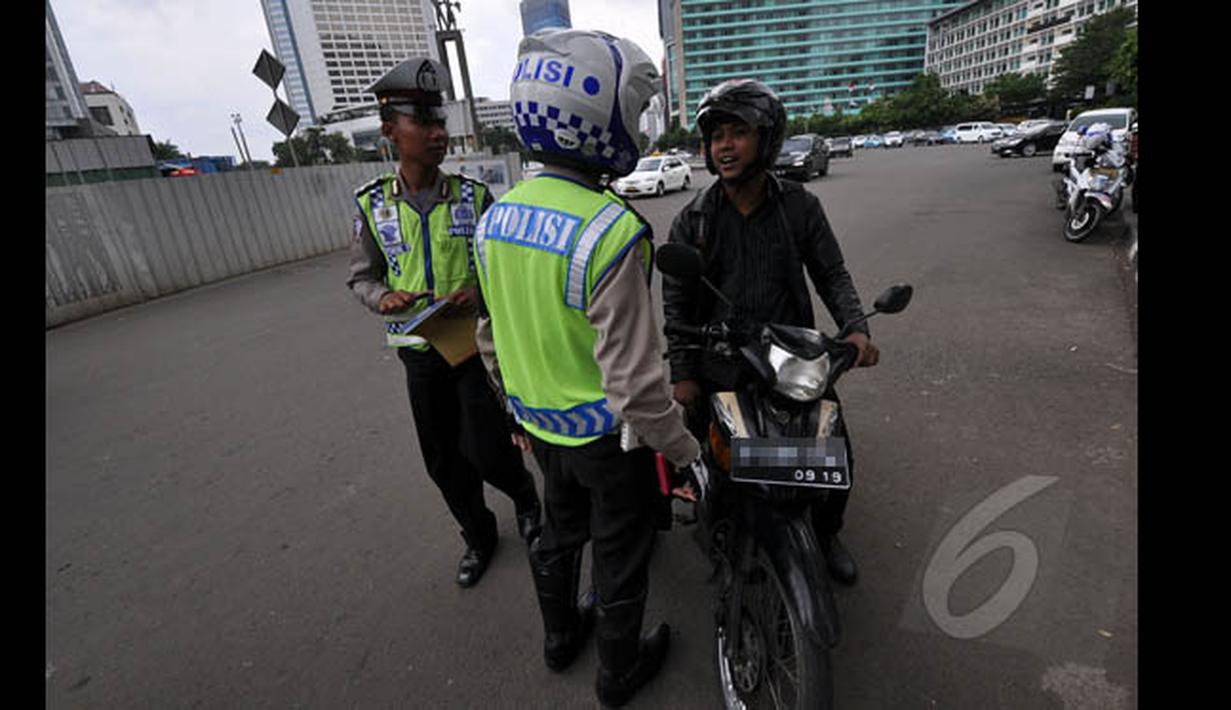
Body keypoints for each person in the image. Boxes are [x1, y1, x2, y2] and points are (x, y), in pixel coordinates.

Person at [472, 29, 703, 708]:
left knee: (555, 533)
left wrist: (517, 406)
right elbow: (635, 384)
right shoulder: (610, 230)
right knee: (619, 550)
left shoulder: (494, 220)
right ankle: (617, 673)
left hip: (541, 430)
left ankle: (557, 639)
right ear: (602, 121)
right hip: (609, 442)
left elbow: (490, 337)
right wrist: (687, 454)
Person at [662, 78, 879, 586]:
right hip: (720, 364)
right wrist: (684, 373)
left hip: (792, 360)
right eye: (717, 136)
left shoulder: (800, 206)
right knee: (719, 470)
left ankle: (825, 534)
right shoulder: (692, 220)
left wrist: (855, 329)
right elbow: (676, 304)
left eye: (738, 133)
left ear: (767, 139)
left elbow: (831, 273)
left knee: (832, 458)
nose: (725, 146)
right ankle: (726, 536)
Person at [346, 56, 542, 589]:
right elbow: (361, 277)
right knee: (442, 462)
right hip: (417, 353)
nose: (438, 134)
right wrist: (382, 297)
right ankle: (478, 536)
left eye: (440, 123)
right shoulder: (372, 205)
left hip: (469, 349)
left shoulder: (475, 197)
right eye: (424, 123)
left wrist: (477, 292)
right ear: (391, 131)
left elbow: (502, 272)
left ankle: (525, 500)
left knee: (486, 448)